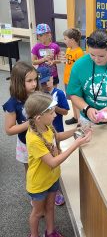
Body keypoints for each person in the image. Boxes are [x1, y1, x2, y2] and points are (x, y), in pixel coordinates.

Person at [25, 91, 92, 237]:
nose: (55, 115)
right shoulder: (33, 138)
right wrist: (76, 144)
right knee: (37, 211)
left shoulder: (46, 126)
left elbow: (57, 137)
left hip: (52, 178)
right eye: (52, 112)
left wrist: (77, 131)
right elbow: (52, 162)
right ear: (39, 118)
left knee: (50, 207)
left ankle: (50, 232)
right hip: (39, 183)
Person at [38, 67, 70, 206]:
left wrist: (53, 106)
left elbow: (65, 112)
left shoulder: (59, 93)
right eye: (43, 83)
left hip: (57, 130)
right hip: (43, 132)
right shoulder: (39, 95)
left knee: (56, 154)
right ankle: (46, 186)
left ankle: (56, 187)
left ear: (52, 78)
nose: (47, 85)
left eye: (48, 81)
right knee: (46, 158)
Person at [2, 61, 39, 173]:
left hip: (42, 137)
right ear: (18, 82)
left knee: (43, 166)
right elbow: (9, 130)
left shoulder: (37, 94)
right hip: (26, 141)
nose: (34, 84)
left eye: (35, 79)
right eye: (29, 81)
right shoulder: (13, 103)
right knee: (31, 170)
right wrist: (30, 123)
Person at [63, 28, 84, 125]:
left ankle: (80, 120)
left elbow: (81, 68)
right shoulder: (68, 50)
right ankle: (75, 117)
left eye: (65, 39)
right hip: (67, 79)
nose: (64, 41)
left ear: (72, 40)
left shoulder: (79, 52)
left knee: (77, 100)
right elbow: (67, 63)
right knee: (72, 99)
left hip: (74, 81)